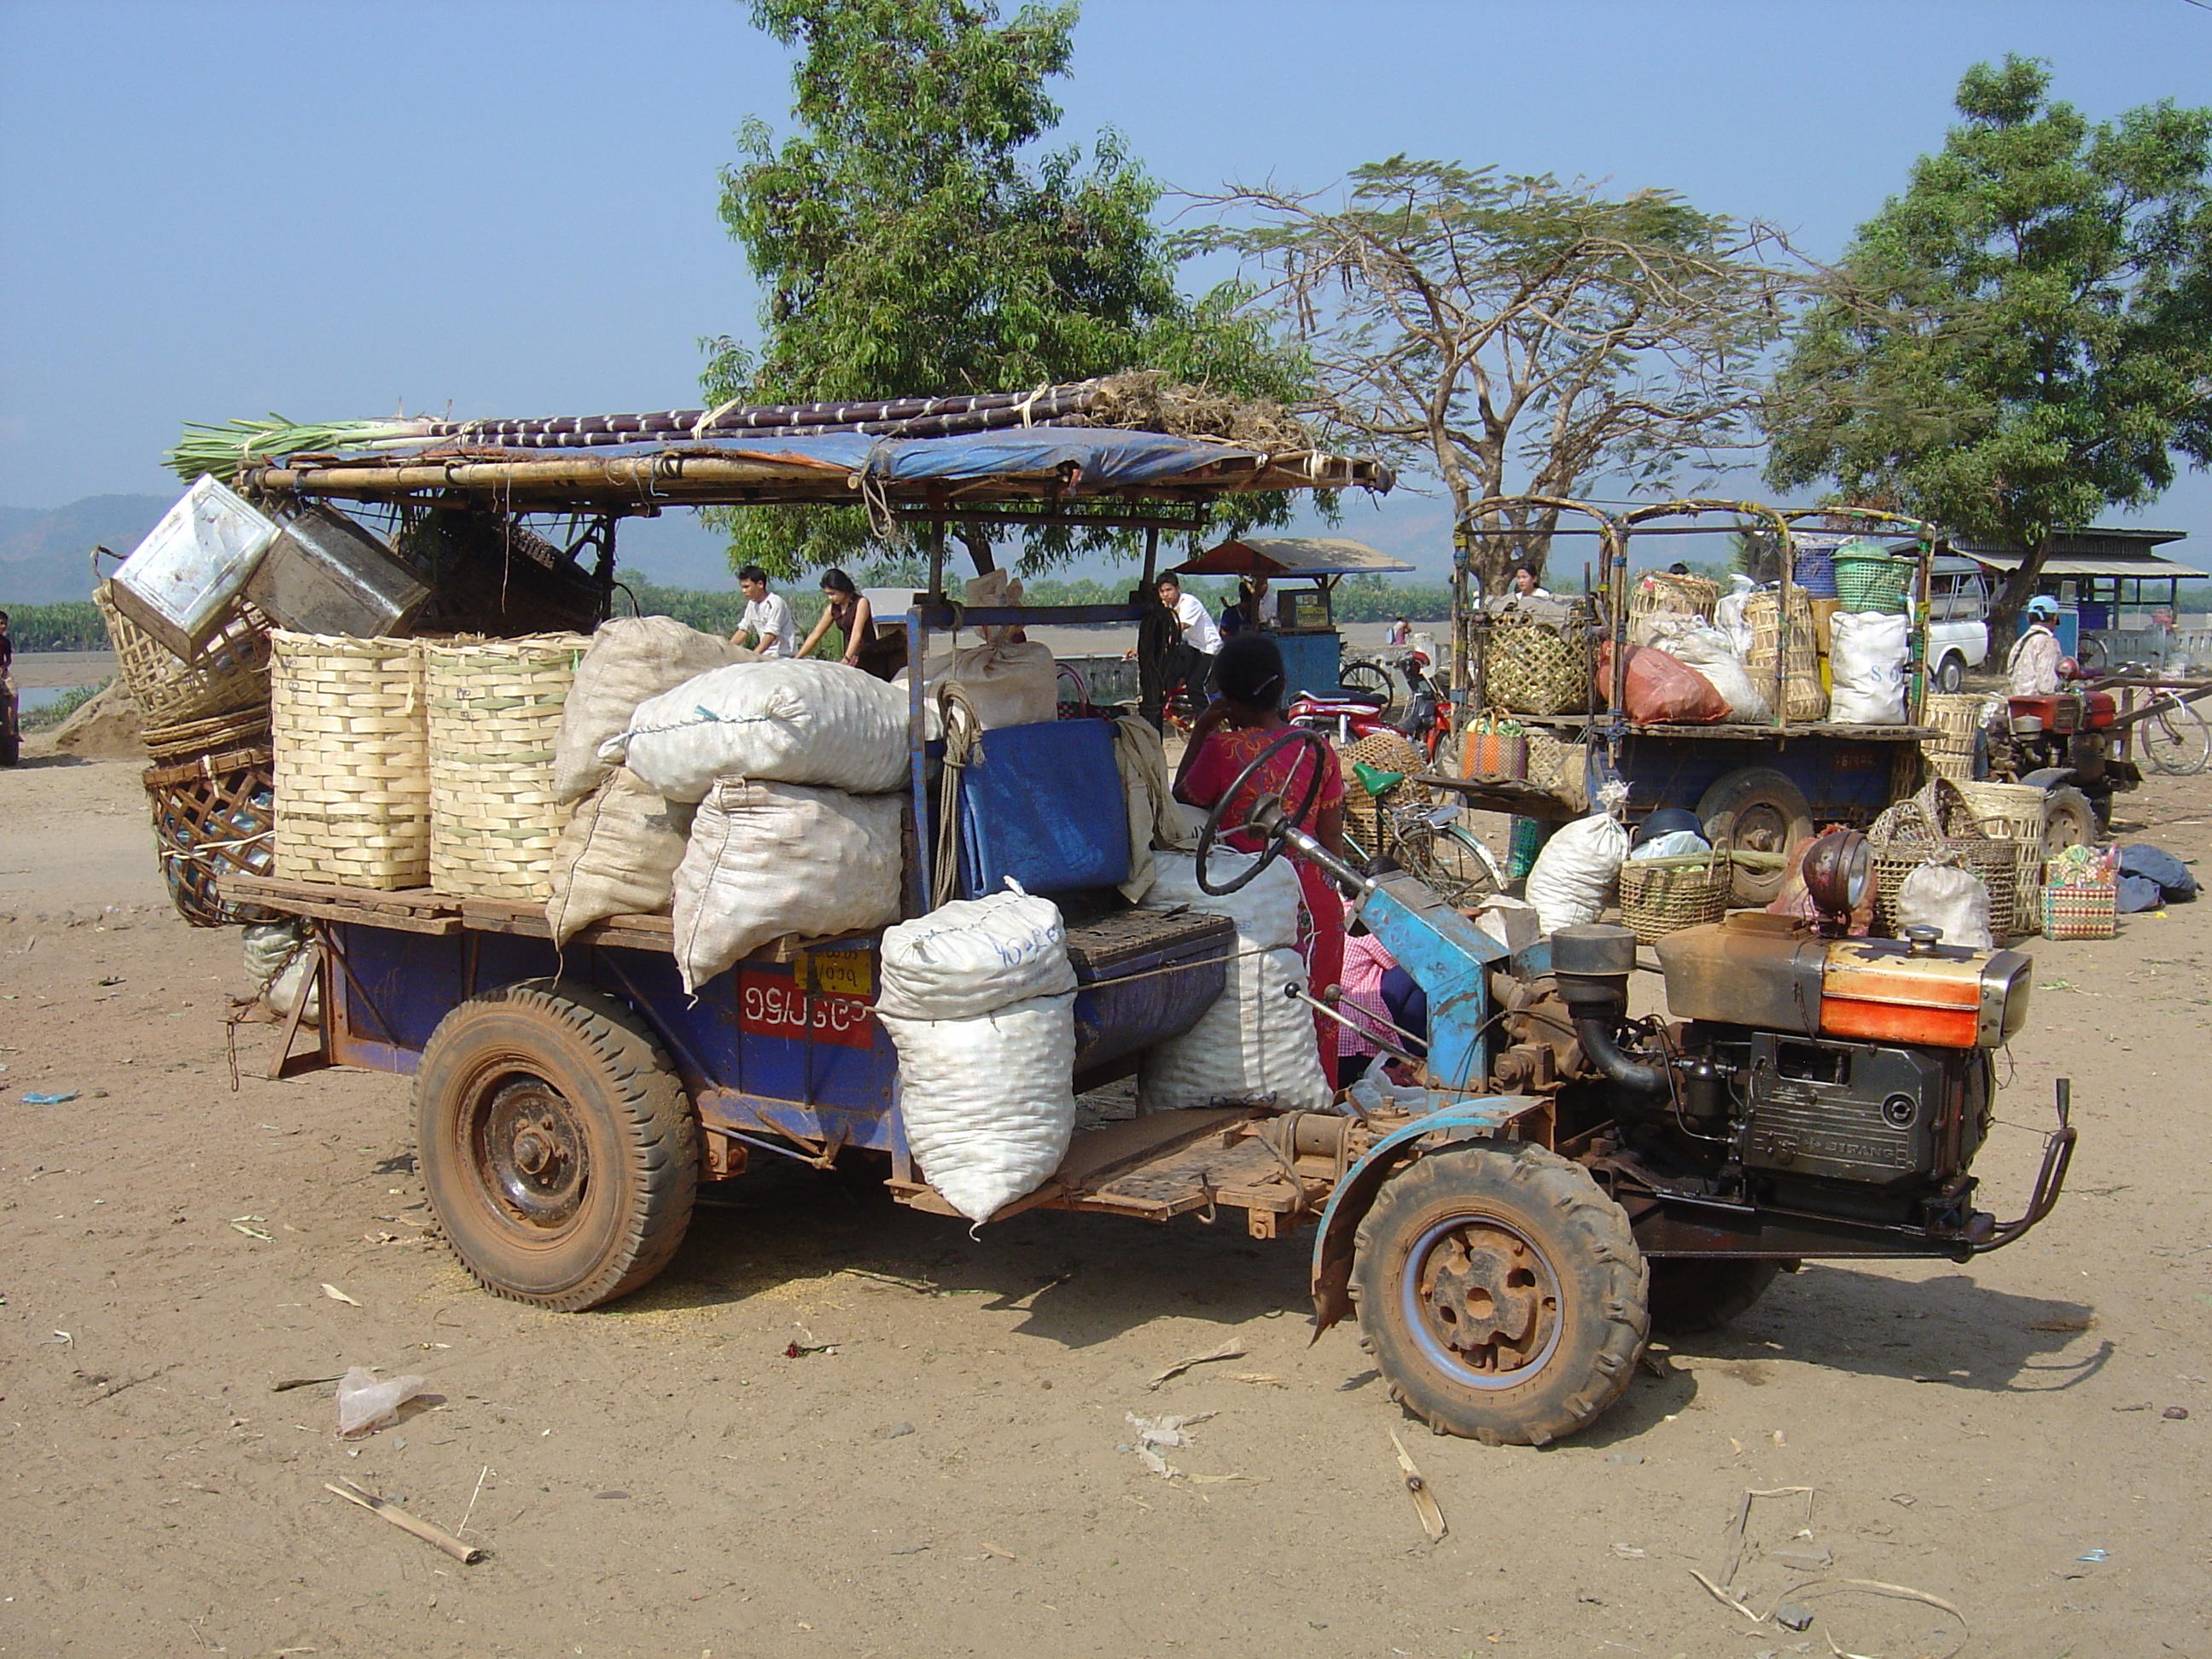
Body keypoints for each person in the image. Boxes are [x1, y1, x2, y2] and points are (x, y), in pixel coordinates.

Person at [1173, 633, 1347, 1086]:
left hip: (1255, 908)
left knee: (1261, 1018)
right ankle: (1322, 1104)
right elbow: (1332, 838)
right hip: (1317, 904)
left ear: (1226, 697)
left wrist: (1202, 729)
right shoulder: (1318, 747)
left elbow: (1181, 798)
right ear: (1281, 685)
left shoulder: (1222, 750)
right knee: (1319, 1014)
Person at [796, 568, 882, 672]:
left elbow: (857, 634)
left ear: (843, 589)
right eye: (827, 594)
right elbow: (815, 635)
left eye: (833, 593)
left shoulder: (861, 603)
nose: (830, 598)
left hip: (868, 656)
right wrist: (797, 658)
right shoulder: (833, 609)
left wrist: (846, 659)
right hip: (850, 655)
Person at [732, 565, 796, 658]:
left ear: (760, 584)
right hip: (765, 655)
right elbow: (744, 630)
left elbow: (770, 635)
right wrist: (726, 649)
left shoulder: (775, 603)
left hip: (781, 656)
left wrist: (753, 656)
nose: (743, 591)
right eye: (742, 587)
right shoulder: (752, 604)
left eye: (747, 587)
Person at [2007, 596, 2065, 697]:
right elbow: (2046, 686)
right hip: (2037, 706)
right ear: (2055, 618)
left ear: (2028, 618)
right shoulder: (2048, 643)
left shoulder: (2020, 642)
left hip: (2017, 704)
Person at [1219, 575, 1269, 639]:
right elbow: (1223, 632)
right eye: (1249, 605)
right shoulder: (1230, 613)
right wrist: (1235, 641)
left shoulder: (1251, 615)